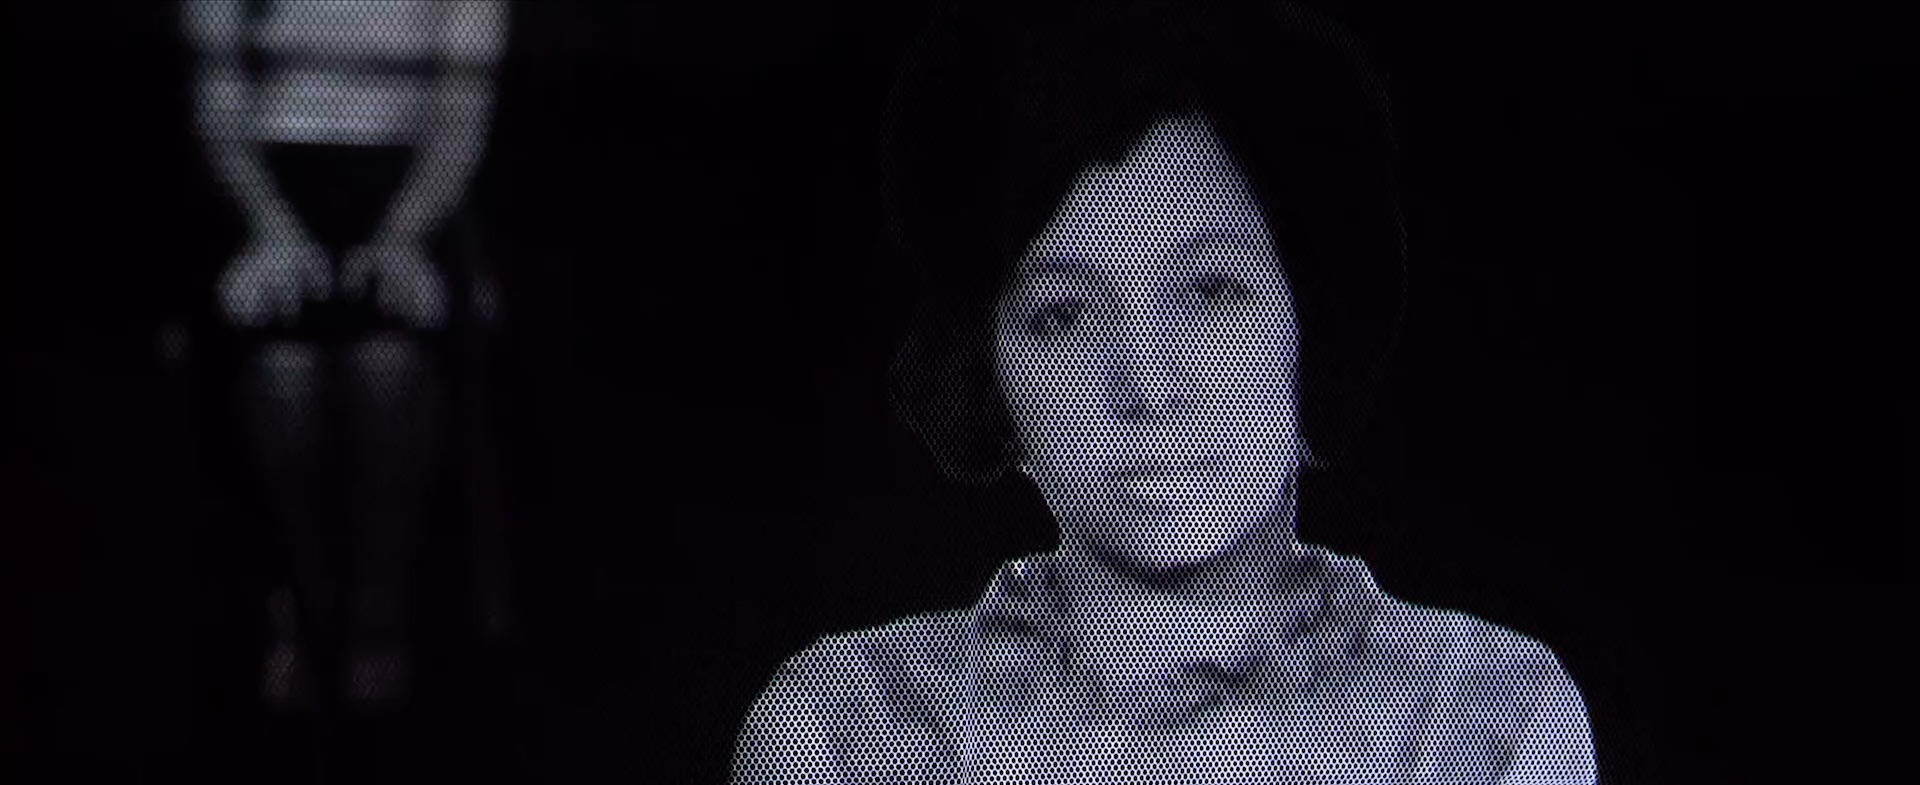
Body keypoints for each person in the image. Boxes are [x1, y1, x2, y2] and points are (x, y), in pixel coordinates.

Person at [735, 3, 1595, 784]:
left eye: (1213, 292)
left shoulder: (1480, 720)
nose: (1147, 384)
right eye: (1065, 316)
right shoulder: (852, 730)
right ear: (983, 368)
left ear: (1316, 319)